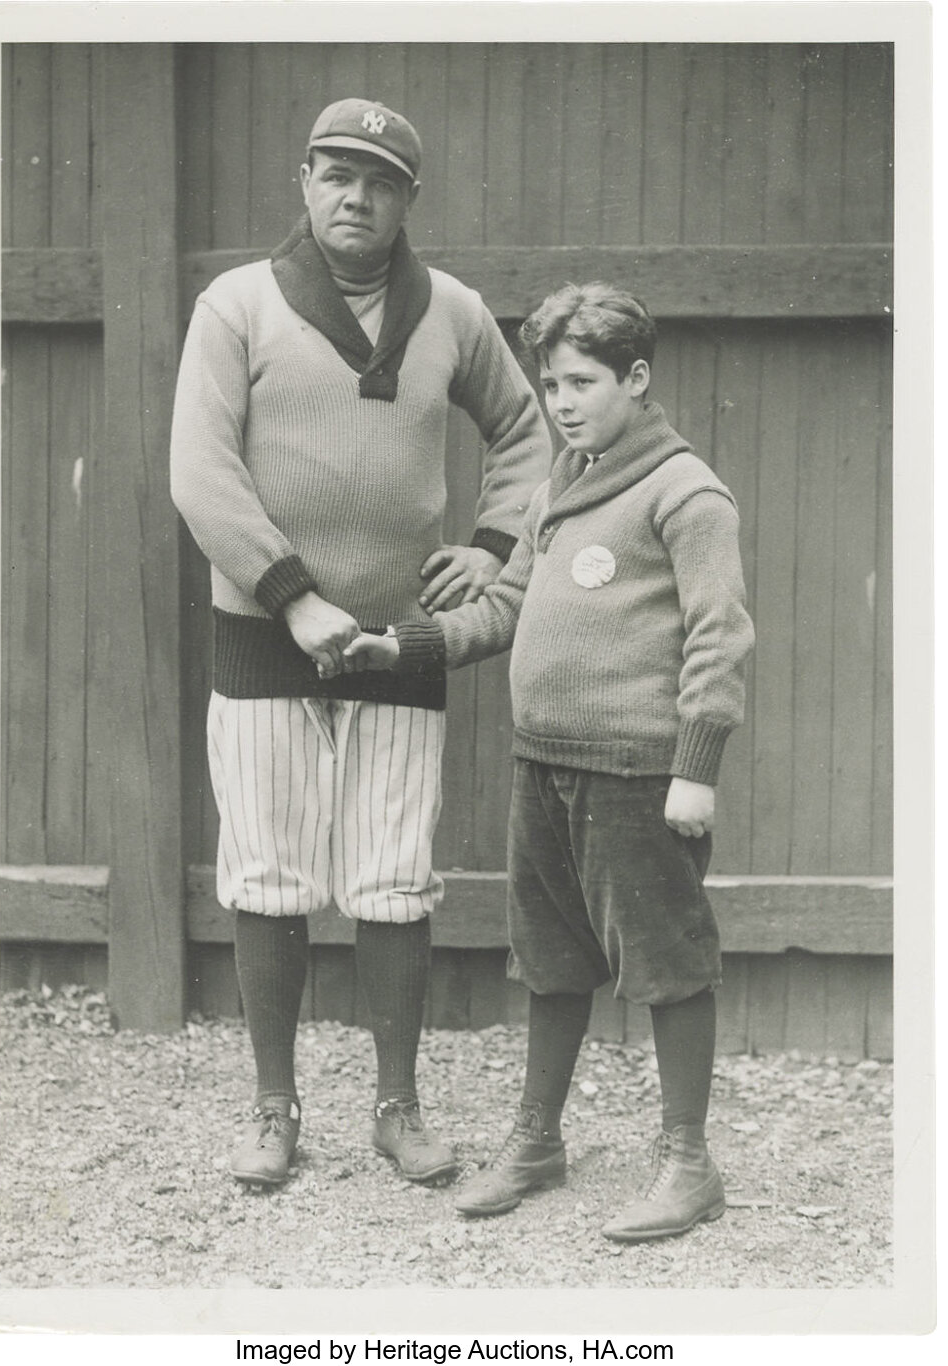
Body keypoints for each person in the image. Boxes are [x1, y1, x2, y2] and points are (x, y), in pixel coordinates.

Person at [169, 98, 550, 1189]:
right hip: (263, 634)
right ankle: (275, 1107)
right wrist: (292, 596)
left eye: (379, 181)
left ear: (407, 199)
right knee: (269, 872)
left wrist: (488, 543)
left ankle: (397, 1105)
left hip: (401, 638)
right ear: (303, 180)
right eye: (336, 174)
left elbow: (525, 432)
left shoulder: (456, 312)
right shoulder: (235, 305)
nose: (355, 196)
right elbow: (201, 472)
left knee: (392, 877)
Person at [341, 283, 755, 1240]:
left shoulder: (684, 492)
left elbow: (719, 637)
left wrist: (695, 766)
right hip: (544, 766)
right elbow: (500, 607)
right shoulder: (555, 488)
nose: (561, 401)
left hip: (638, 774)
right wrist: (398, 645)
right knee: (549, 959)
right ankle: (537, 1139)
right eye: (549, 384)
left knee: (666, 962)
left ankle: (688, 1162)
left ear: (636, 378)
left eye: (581, 381)